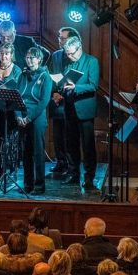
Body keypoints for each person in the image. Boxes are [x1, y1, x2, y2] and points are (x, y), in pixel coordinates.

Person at [60, 36, 100, 190]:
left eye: (71, 53)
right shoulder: (68, 62)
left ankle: (89, 177)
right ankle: (73, 173)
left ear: (79, 47)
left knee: (88, 146)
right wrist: (62, 86)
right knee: (71, 144)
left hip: (85, 110)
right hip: (69, 108)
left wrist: (74, 87)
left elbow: (93, 85)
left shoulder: (91, 61)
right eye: (67, 54)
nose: (69, 57)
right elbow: (65, 82)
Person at [16, 47, 52, 194]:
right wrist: (18, 116)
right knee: (26, 153)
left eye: (33, 57)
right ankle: (27, 184)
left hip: (37, 118)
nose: (29, 60)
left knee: (37, 153)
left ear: (39, 59)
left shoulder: (45, 76)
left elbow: (44, 101)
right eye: (28, 57)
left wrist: (29, 118)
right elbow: (16, 97)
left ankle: (39, 185)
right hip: (22, 117)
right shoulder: (22, 75)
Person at [47, 27, 81, 174]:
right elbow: (50, 75)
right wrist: (54, 92)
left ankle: (72, 164)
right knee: (57, 134)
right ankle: (60, 161)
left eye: (63, 38)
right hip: (57, 101)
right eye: (59, 37)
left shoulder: (77, 56)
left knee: (70, 135)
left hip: (72, 100)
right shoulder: (55, 55)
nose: (60, 40)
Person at [0, 42, 23, 179]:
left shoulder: (17, 70)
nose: (4, 56)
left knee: (11, 140)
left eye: (7, 53)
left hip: (11, 111)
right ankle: (0, 170)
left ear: (11, 55)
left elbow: (19, 90)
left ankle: (12, 169)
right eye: (2, 53)